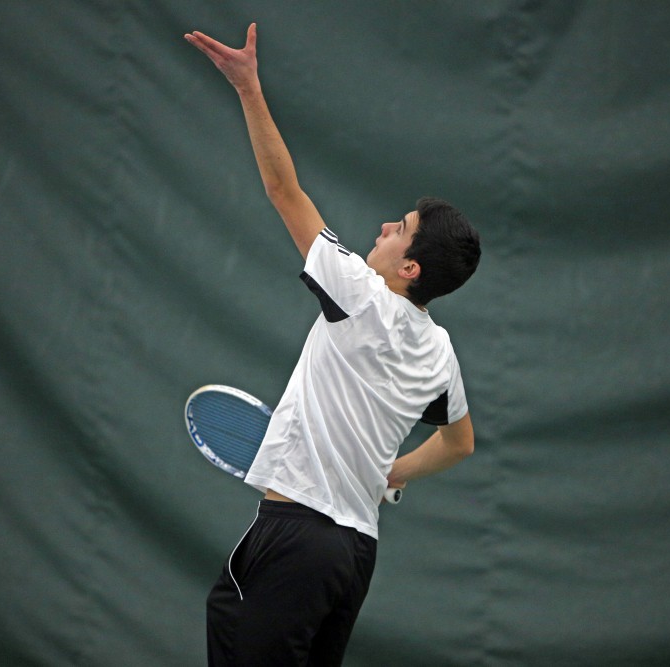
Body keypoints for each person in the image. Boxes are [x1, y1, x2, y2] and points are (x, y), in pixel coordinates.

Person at [184, 23, 481, 666]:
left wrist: (248, 88)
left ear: (410, 270)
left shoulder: (361, 295)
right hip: (353, 558)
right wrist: (392, 473)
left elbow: (284, 191)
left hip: (296, 542)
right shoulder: (440, 354)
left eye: (398, 229)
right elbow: (461, 441)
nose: (383, 227)